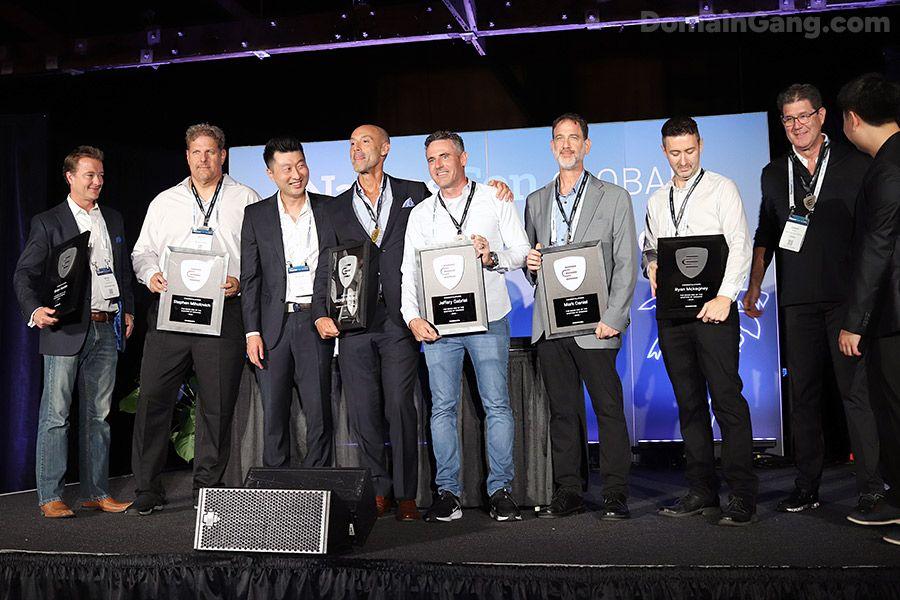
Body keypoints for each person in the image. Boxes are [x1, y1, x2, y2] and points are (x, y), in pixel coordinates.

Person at [312, 124, 513, 521]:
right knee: (364, 410)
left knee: (403, 406)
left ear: (385, 149)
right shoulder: (334, 207)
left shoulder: (415, 194)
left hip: (401, 321)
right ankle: (378, 489)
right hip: (354, 321)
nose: (356, 149)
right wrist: (321, 310)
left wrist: (499, 188)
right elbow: (326, 263)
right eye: (351, 144)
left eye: (364, 142)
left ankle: (406, 493)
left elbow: (458, 195)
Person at [746, 83, 883, 516]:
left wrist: (865, 304)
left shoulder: (857, 163)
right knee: (802, 395)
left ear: (822, 116)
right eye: (788, 119)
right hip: (797, 301)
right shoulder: (773, 173)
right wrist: (753, 286)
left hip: (846, 300)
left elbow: (875, 234)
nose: (797, 125)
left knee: (855, 394)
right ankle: (806, 486)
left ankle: (872, 486)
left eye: (804, 116)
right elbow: (766, 234)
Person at [129, 123, 260, 515]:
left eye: (210, 152)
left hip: (224, 315)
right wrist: (150, 275)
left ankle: (208, 487)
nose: (203, 159)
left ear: (223, 155)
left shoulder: (247, 198)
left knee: (217, 406)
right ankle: (147, 488)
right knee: (153, 399)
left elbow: (256, 255)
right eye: (196, 152)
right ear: (187, 156)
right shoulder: (164, 201)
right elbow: (141, 252)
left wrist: (239, 280)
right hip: (170, 314)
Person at [400, 131, 530, 522]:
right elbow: (411, 271)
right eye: (431, 160)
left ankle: (501, 490)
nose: (438, 165)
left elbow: (522, 252)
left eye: (445, 157)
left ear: (463, 157)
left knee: (497, 405)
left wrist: (492, 257)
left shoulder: (495, 199)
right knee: (442, 409)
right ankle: (448, 493)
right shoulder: (421, 213)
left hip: (489, 318)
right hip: (439, 327)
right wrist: (412, 316)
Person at [642, 116, 758, 526]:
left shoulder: (722, 188)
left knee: (727, 401)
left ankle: (742, 494)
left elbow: (740, 245)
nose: (683, 159)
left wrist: (726, 296)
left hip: (714, 312)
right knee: (689, 404)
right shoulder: (657, 200)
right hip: (673, 315)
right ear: (664, 152)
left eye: (689, 150)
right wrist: (651, 266)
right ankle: (702, 490)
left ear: (700, 145)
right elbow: (650, 250)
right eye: (675, 152)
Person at [523, 113, 637, 520]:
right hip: (552, 325)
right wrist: (531, 263)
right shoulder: (536, 200)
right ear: (552, 147)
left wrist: (614, 316)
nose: (567, 145)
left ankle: (615, 492)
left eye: (574, 138)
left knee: (608, 408)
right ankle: (568, 489)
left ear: (587, 145)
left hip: (597, 324)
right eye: (559, 139)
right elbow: (532, 265)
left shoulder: (614, 197)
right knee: (563, 411)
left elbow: (627, 263)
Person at [14, 146, 134, 518]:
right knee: (56, 415)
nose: (97, 182)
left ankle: (96, 492)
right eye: (89, 175)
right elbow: (24, 274)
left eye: (100, 175)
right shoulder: (48, 222)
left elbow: (121, 271)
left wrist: (127, 308)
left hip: (104, 327)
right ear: (70, 177)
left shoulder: (112, 218)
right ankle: (50, 496)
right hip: (64, 330)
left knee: (98, 417)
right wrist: (35, 310)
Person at [241, 137, 335, 469]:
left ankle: (318, 486)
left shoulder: (330, 208)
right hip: (272, 327)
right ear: (270, 174)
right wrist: (252, 332)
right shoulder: (256, 215)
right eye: (286, 168)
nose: (296, 174)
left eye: (301, 165)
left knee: (319, 413)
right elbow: (250, 278)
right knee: (274, 417)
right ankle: (276, 490)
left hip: (315, 323)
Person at [836, 72, 900, 546]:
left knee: (895, 410)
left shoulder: (889, 167)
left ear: (851, 119)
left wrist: (854, 322)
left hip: (892, 314)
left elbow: (878, 247)